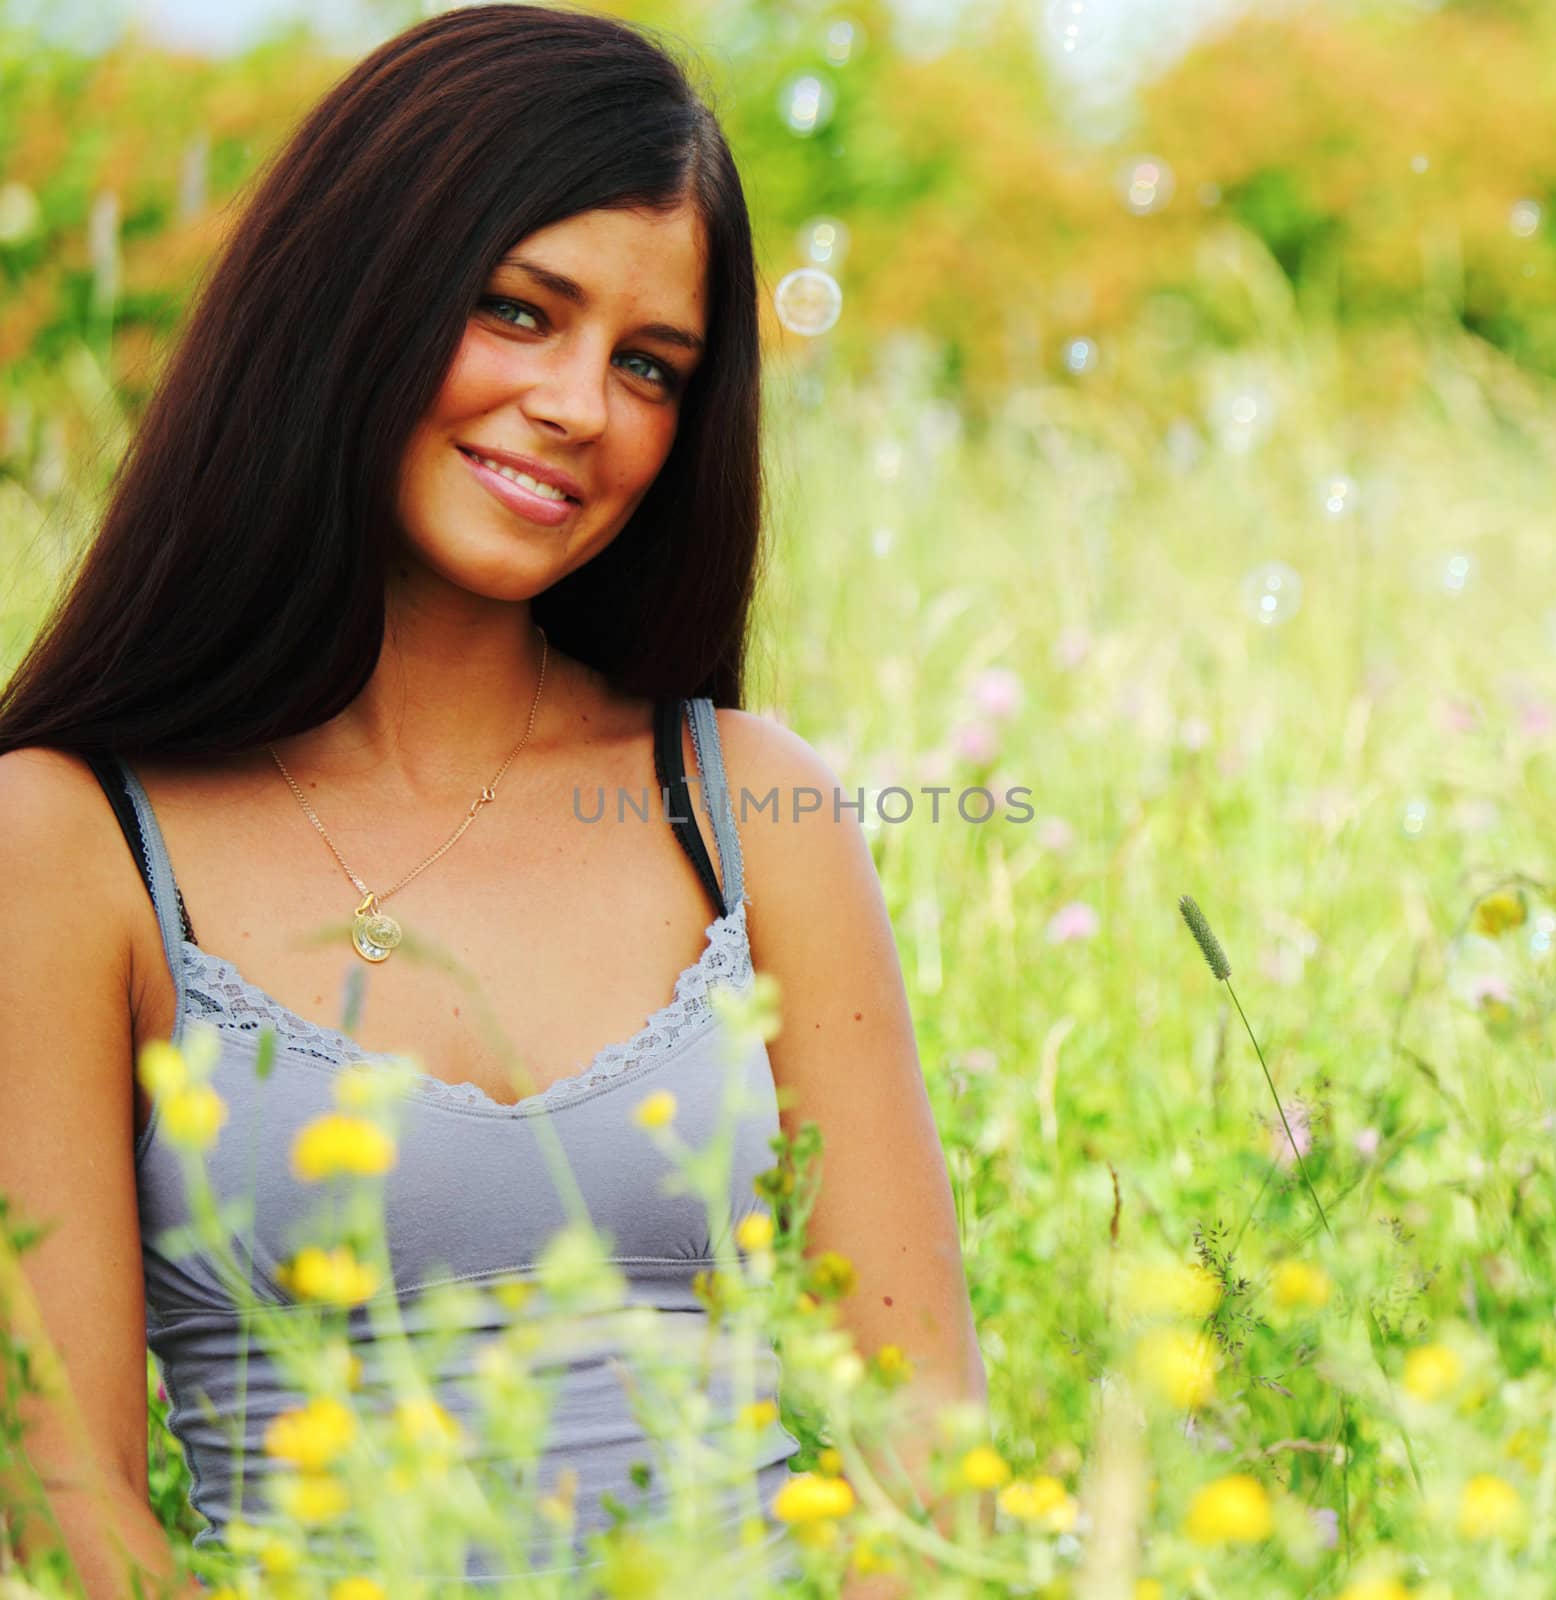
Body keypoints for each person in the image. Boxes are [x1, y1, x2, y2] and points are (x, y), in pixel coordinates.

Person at [0, 4, 987, 1594]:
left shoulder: (746, 808)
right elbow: (67, 1510)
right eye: (520, 313)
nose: (581, 406)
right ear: (353, 295)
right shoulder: (67, 839)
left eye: (649, 365)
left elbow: (926, 1453)